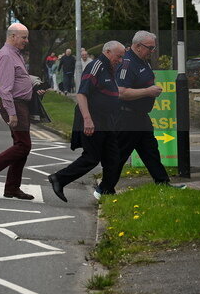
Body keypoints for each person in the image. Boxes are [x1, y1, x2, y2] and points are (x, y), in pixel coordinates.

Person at [100, 31, 185, 196]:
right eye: (150, 48)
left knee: (151, 151)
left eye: (153, 47)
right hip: (126, 117)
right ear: (138, 46)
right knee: (119, 154)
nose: (152, 51)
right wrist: (148, 91)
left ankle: (162, 183)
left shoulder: (143, 61)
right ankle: (104, 189)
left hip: (140, 116)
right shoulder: (127, 63)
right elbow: (121, 92)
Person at [47, 41, 126, 203]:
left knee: (114, 158)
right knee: (91, 158)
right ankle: (59, 179)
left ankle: (107, 191)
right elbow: (81, 94)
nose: (120, 60)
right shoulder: (95, 66)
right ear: (108, 52)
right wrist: (87, 120)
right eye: (119, 56)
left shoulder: (111, 67)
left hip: (106, 121)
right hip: (93, 118)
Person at [0, 23, 40, 200]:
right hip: (14, 105)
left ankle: (12, 188)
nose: (26, 41)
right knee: (24, 145)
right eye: (24, 37)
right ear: (13, 36)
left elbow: (19, 78)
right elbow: (4, 88)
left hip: (20, 104)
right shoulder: (6, 55)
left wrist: (33, 85)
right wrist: (12, 112)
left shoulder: (15, 55)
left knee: (21, 146)